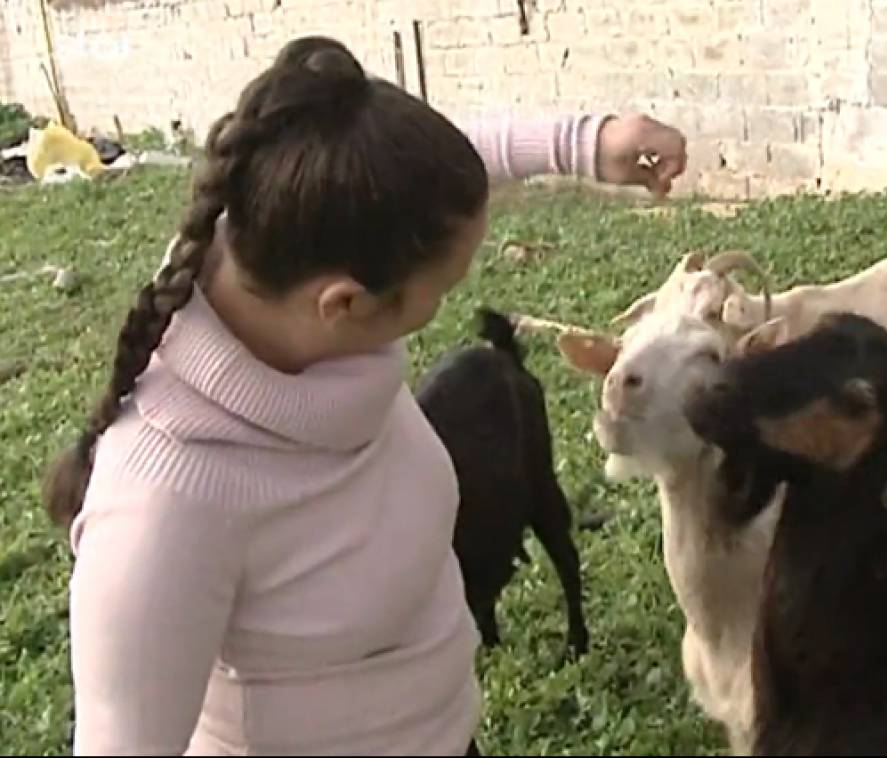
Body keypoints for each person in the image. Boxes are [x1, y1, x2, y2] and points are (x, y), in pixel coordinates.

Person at [43, 35, 687, 756]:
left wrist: (586, 143)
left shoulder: (280, 246)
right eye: (439, 291)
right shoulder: (164, 509)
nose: (445, 300)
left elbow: (400, 187)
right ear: (345, 303)